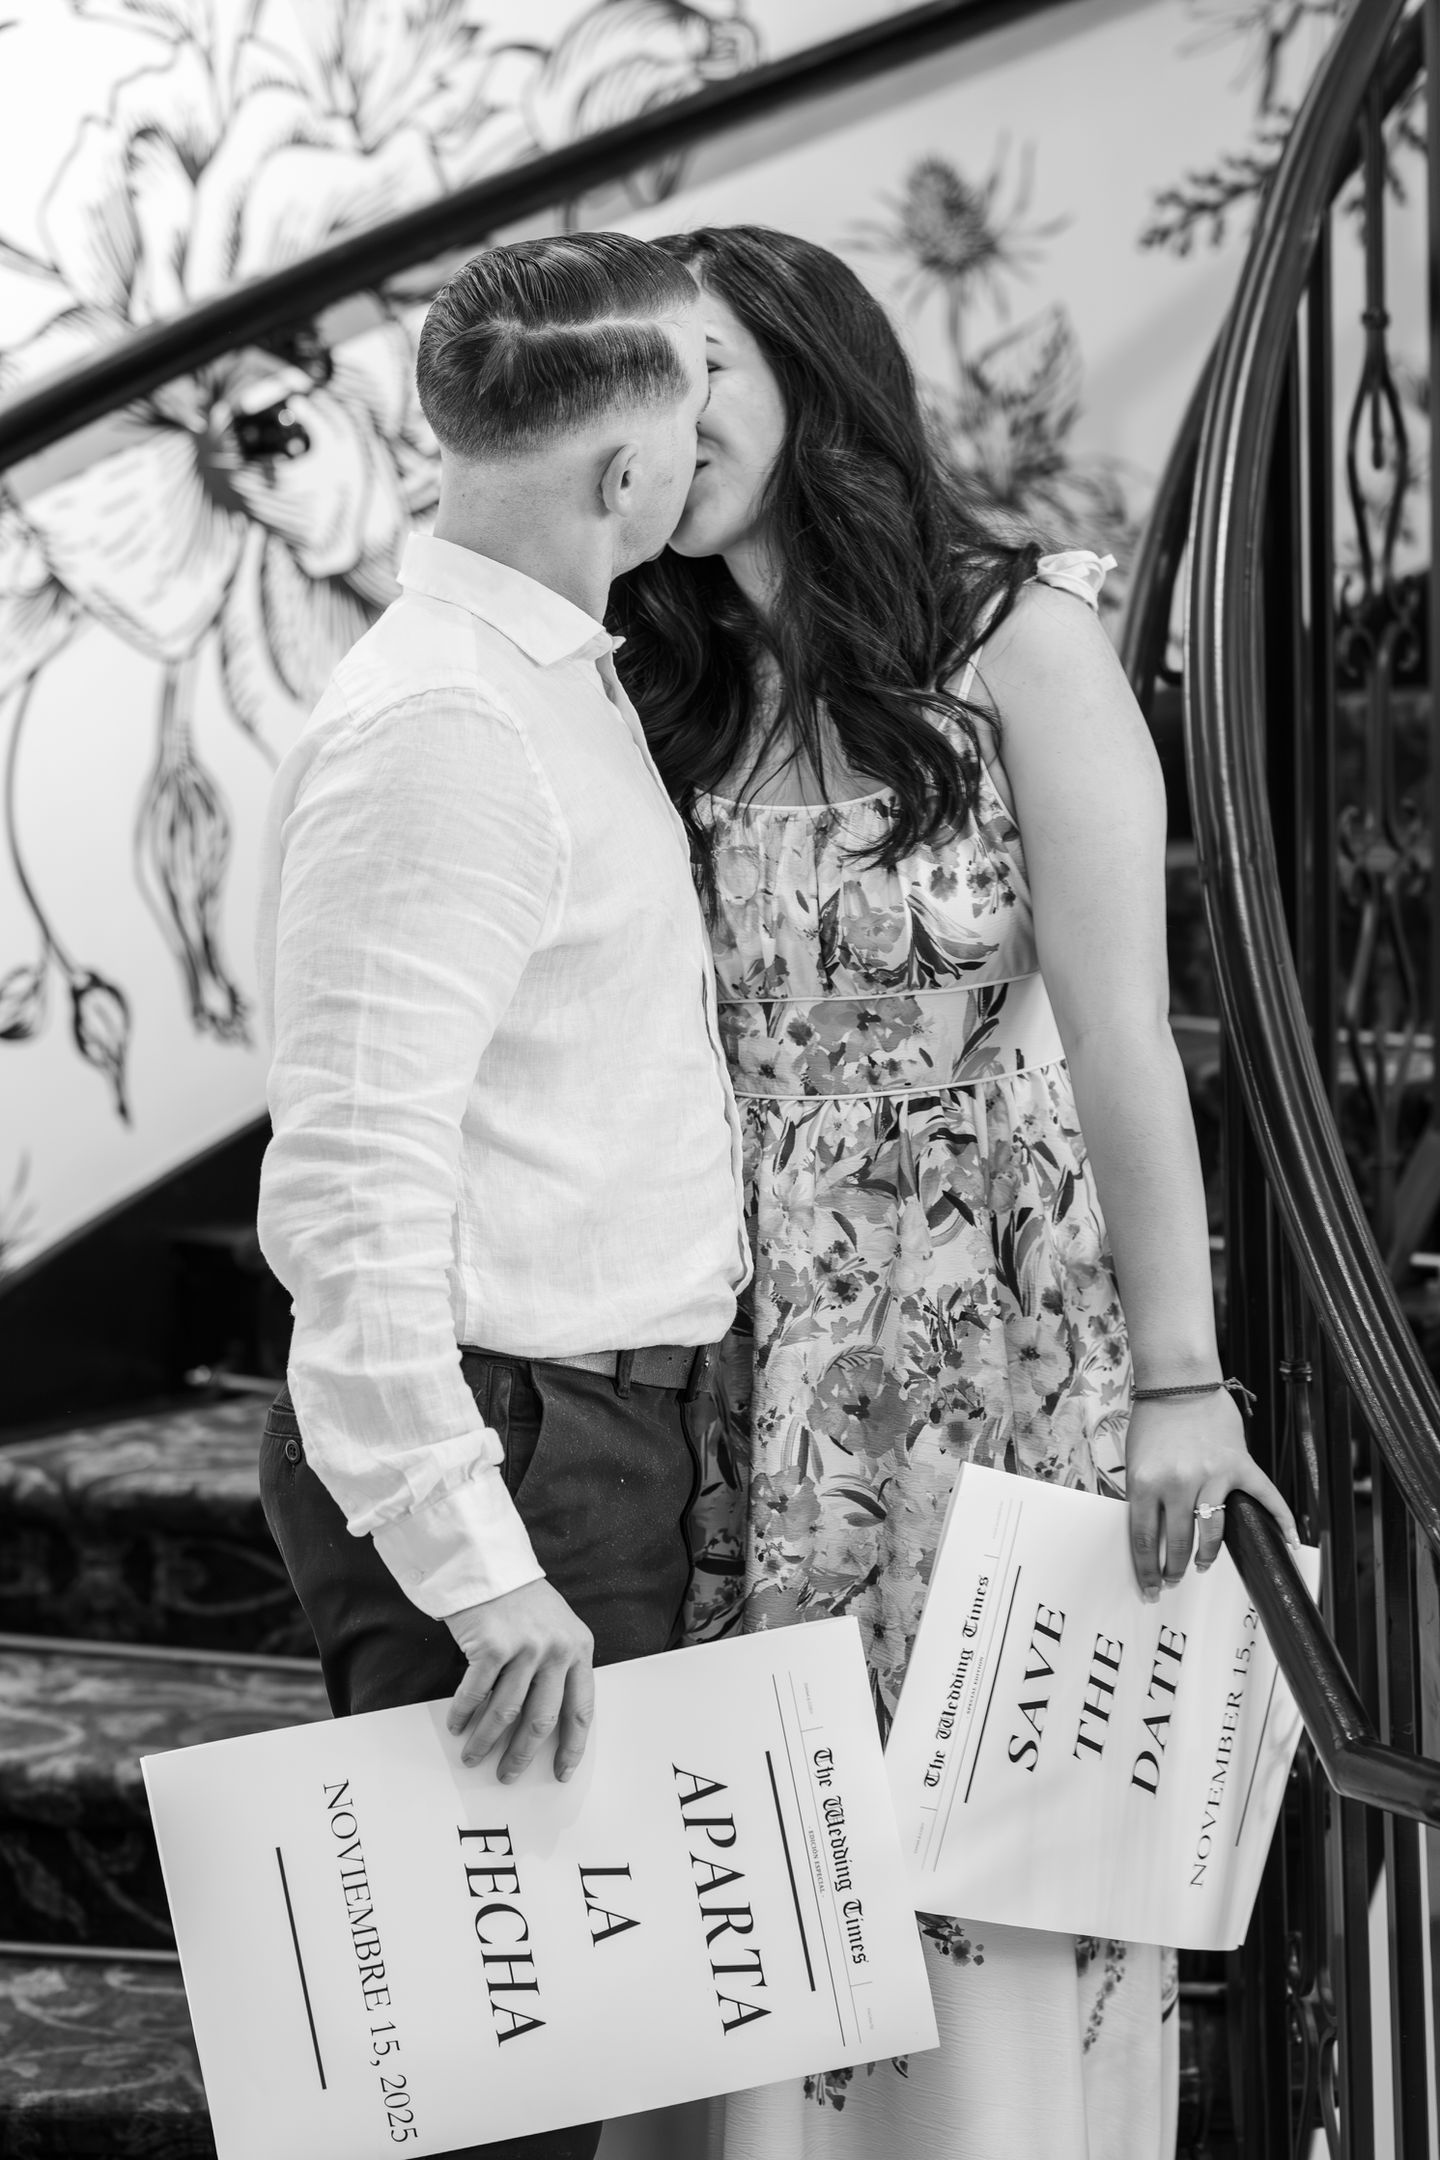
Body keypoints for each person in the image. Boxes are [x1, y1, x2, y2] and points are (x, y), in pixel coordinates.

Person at [610, 224, 1299, 2160]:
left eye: (704, 369)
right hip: (767, 1351)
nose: (670, 422)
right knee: (788, 1875)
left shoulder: (1020, 636)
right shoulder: (677, 689)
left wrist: (1186, 1376)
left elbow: (1121, 1037)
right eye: (638, 384)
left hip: (995, 1323)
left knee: (990, 1846)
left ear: (811, 374)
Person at [253, 230, 748, 2160]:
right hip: (510, 1447)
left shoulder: (553, 675)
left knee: (560, 2083)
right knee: (487, 2112)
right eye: (692, 408)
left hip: (596, 1429)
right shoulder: (450, 725)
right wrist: (488, 1572)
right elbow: (350, 1198)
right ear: (623, 478)